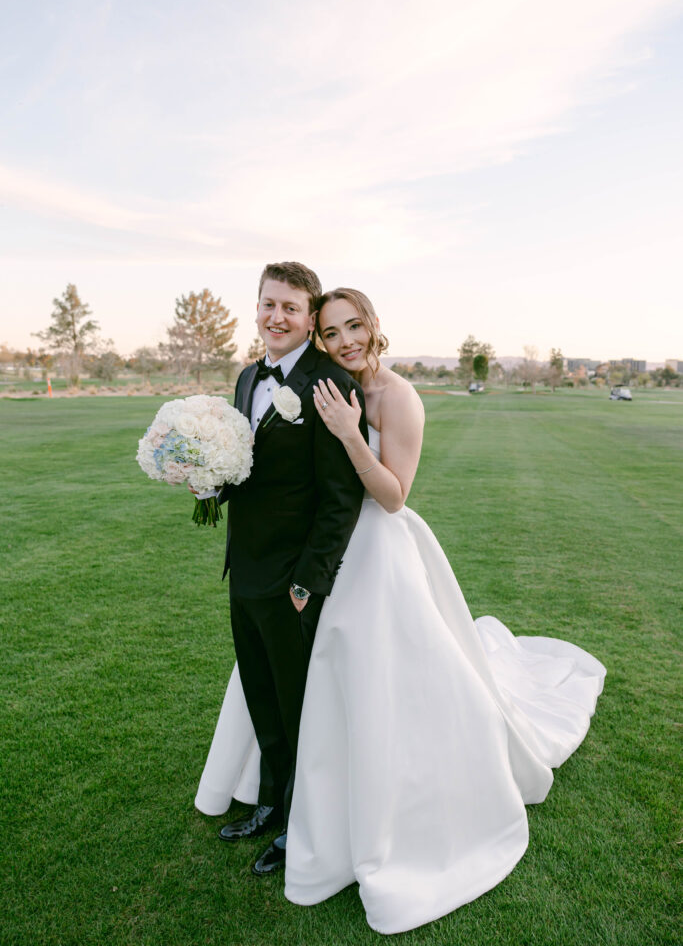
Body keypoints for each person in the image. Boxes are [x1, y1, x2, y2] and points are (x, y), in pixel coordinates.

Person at [196, 287, 605, 933]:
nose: (345, 341)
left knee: (373, 680)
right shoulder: (323, 380)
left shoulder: (395, 396)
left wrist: (345, 432)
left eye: (354, 326)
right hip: (310, 553)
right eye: (332, 332)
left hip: (375, 549)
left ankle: (351, 809)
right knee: (298, 683)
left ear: (375, 326)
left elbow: (392, 494)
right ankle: (286, 795)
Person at [198, 264, 366, 876]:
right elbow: (244, 466)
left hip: (293, 583)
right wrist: (203, 479)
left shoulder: (331, 385)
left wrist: (306, 583)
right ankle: (270, 802)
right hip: (243, 572)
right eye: (268, 304)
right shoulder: (247, 377)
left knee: (300, 711)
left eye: (290, 308)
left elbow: (341, 499)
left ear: (309, 315)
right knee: (261, 697)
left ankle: (302, 825)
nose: (276, 317)